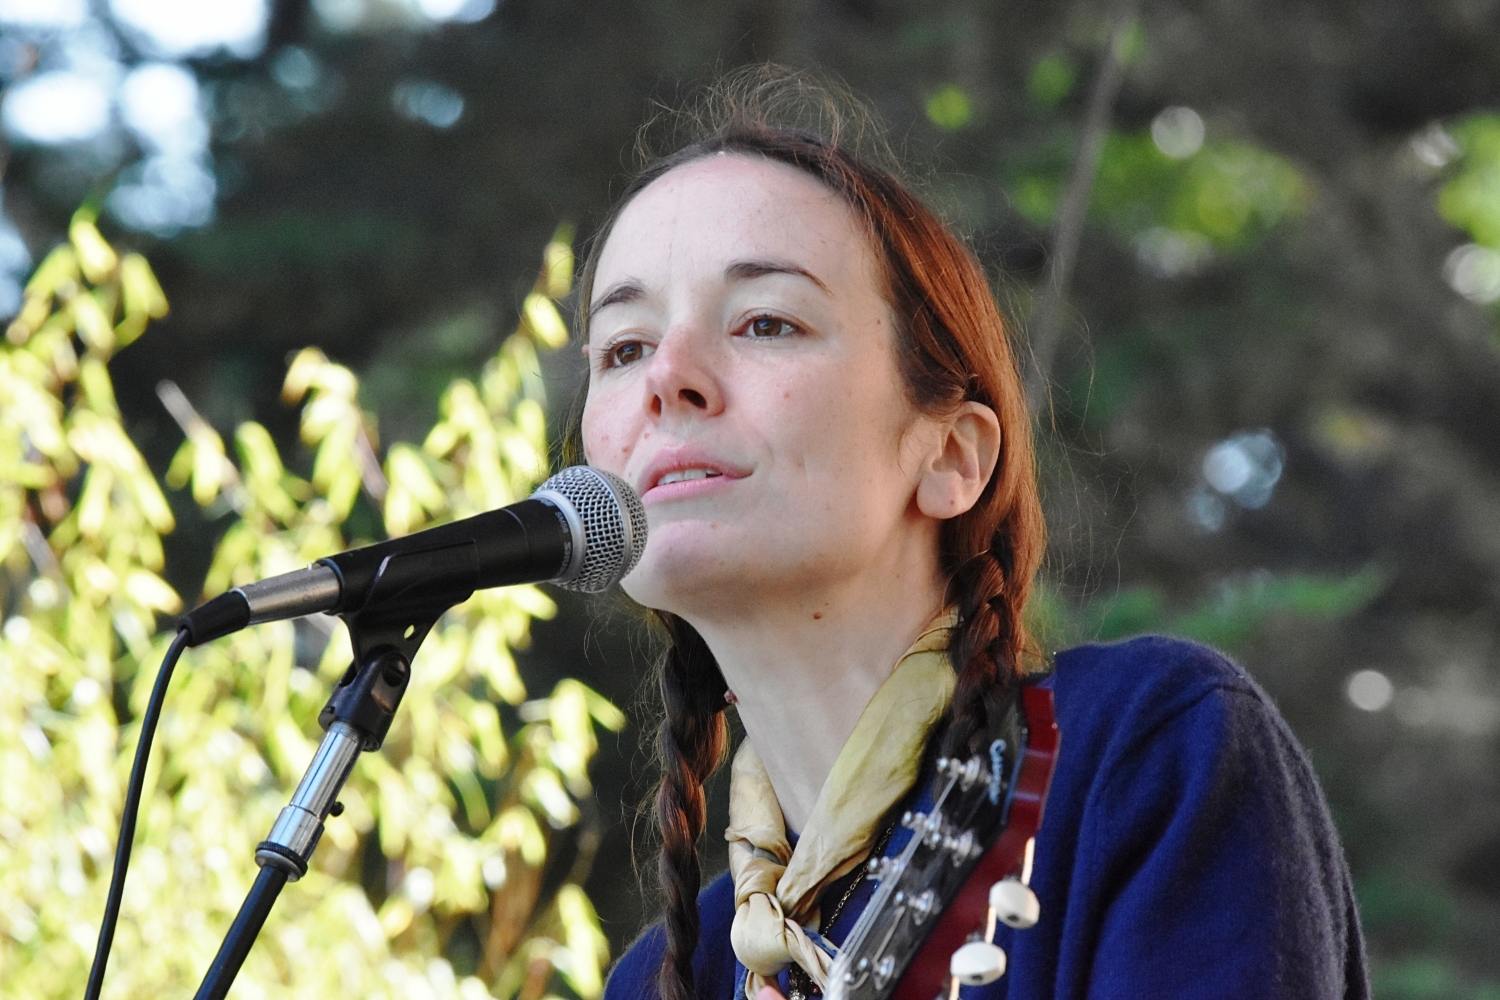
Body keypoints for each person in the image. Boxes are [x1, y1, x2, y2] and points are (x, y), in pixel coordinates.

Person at [569, 68, 1369, 1000]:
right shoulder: (676, 972)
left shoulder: (1143, 755)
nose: (667, 376)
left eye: (766, 322)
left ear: (951, 455)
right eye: (624, 347)